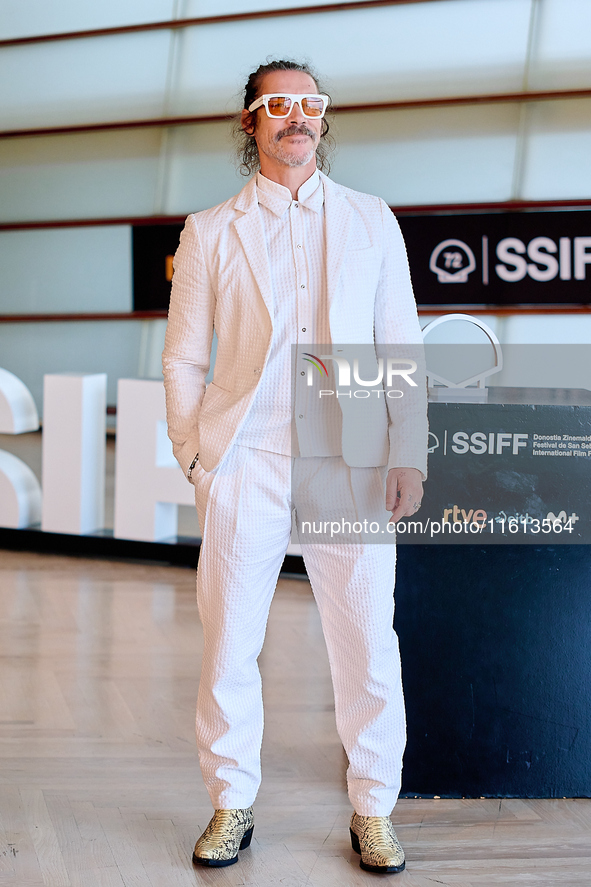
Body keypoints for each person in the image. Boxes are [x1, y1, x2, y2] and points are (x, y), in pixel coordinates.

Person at [162, 59, 427, 874]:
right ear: (251, 122)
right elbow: (182, 358)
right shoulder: (210, 230)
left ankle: (373, 808)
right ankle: (231, 802)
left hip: (349, 460)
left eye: (309, 103)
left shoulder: (370, 218)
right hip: (246, 459)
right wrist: (196, 454)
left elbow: (399, 342)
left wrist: (408, 450)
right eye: (278, 104)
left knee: (365, 643)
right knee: (229, 643)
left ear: (322, 117)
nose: (296, 116)